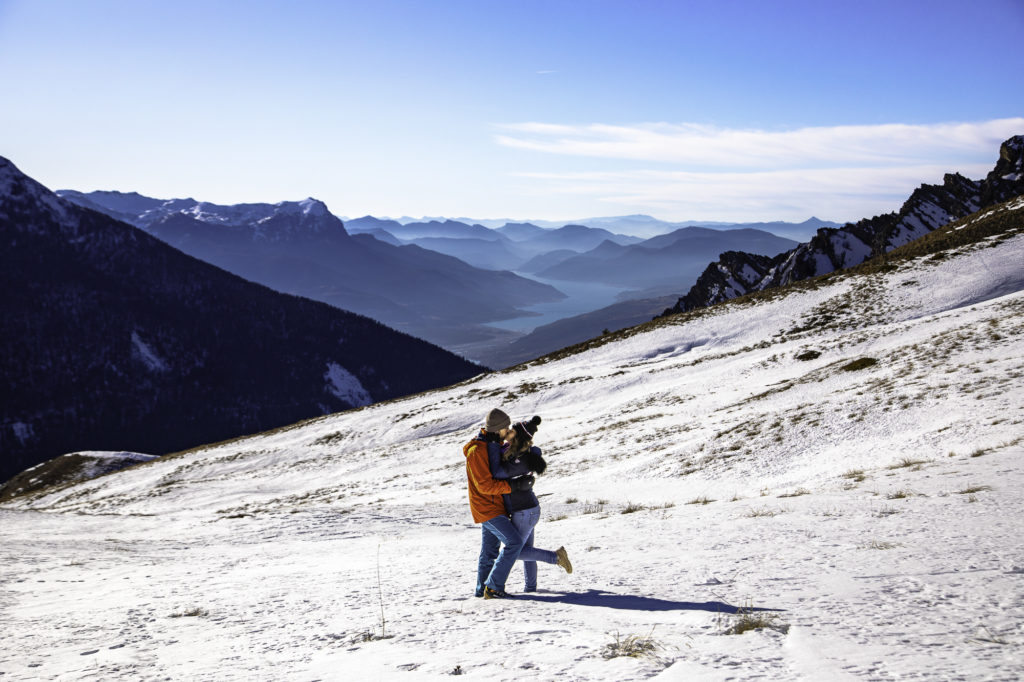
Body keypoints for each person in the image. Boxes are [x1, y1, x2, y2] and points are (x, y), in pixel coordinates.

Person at [489, 415, 572, 592]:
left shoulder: (521, 461)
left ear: (518, 438)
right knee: (527, 550)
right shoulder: (520, 455)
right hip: (527, 510)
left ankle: (556, 557)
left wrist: (494, 446)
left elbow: (497, 473)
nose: (508, 432)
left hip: (525, 512)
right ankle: (531, 587)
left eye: (512, 431)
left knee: (516, 551)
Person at [463, 408, 536, 599]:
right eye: (506, 427)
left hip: (496, 506)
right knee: (514, 543)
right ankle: (494, 587)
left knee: (489, 552)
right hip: (487, 508)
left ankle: (482, 591)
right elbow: (485, 485)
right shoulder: (477, 451)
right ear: (497, 429)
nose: (508, 430)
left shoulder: (492, 445)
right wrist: (514, 486)